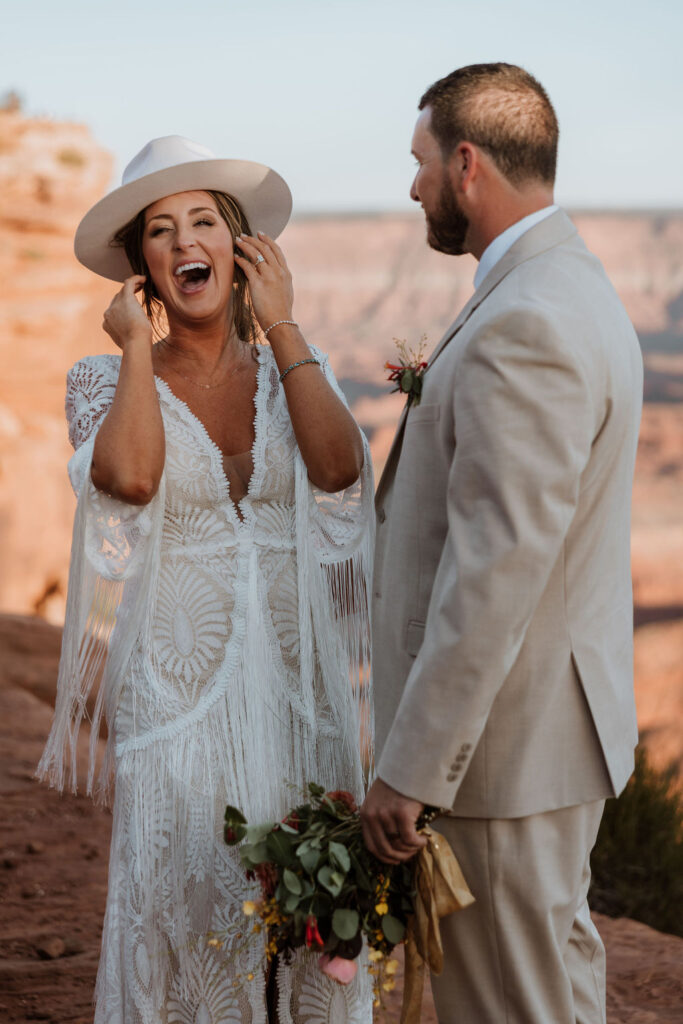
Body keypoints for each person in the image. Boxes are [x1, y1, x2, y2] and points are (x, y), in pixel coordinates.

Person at [38, 135, 374, 1024]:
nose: (186, 242)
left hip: (300, 704)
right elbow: (132, 480)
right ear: (142, 266)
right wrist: (137, 352)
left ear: (240, 247)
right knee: (187, 926)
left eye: (204, 223)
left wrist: (285, 323)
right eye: (160, 230)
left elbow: (341, 476)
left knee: (311, 942)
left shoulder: (293, 372)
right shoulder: (99, 382)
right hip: (177, 712)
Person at [361, 63, 643, 1023]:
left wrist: (412, 768)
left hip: (502, 760)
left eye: (421, 162)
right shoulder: (572, 283)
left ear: (467, 163)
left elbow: (497, 568)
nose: (411, 187)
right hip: (554, 742)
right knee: (554, 993)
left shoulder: (522, 318)